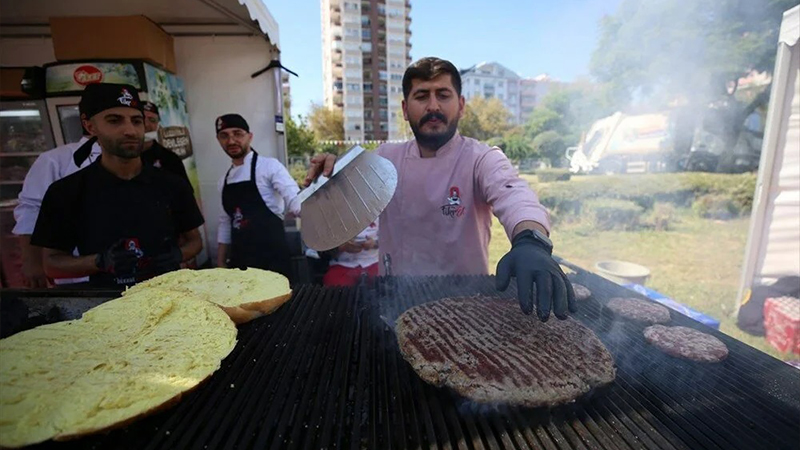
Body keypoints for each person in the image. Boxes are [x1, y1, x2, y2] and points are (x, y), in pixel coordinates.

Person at [305, 57, 576, 321]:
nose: (433, 106)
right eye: (422, 96)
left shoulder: (481, 158)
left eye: (443, 95)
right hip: (397, 299)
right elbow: (339, 209)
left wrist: (531, 240)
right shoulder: (385, 160)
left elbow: (515, 194)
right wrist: (329, 183)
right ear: (404, 108)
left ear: (460, 105)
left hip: (468, 305)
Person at [30, 83, 205, 288]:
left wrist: (177, 254)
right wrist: (99, 261)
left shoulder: (172, 185)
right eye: (114, 121)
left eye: (136, 121)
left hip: (169, 296)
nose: (130, 130)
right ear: (90, 126)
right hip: (106, 304)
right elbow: (51, 264)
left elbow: (195, 242)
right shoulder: (66, 192)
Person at [13, 121, 101, 288]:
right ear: (91, 125)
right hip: (74, 274)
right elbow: (32, 210)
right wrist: (32, 262)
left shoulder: (138, 159)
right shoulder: (56, 159)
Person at [215, 113, 300, 279]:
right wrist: (220, 263)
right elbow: (225, 222)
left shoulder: (269, 166)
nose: (231, 141)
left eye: (237, 134)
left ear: (250, 136)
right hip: (241, 266)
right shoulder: (223, 181)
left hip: (273, 262)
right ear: (218, 140)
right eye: (224, 136)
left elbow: (294, 198)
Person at [140, 101, 191, 184]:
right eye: (140, 119)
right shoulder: (121, 156)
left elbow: (185, 193)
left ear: (158, 125)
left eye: (152, 120)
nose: (146, 124)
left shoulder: (170, 159)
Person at [323, 220, 379, 286]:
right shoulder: (332, 215)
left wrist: (374, 244)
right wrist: (342, 247)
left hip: (372, 262)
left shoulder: (378, 212)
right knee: (332, 283)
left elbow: (388, 239)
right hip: (343, 264)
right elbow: (322, 248)